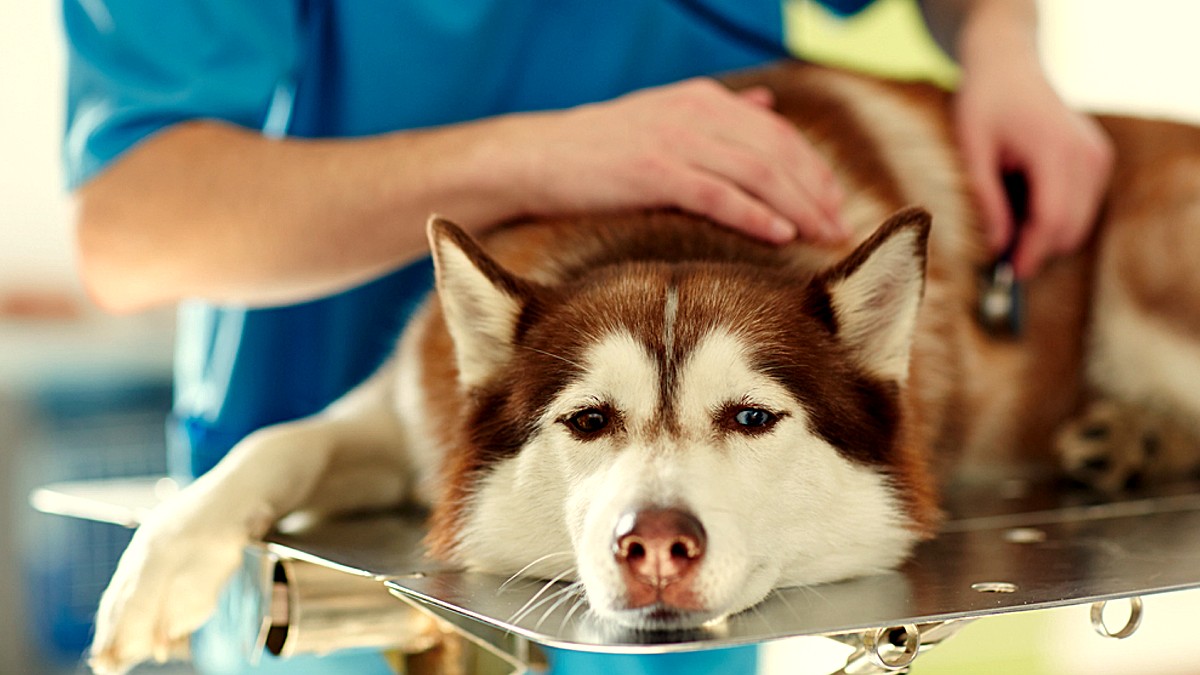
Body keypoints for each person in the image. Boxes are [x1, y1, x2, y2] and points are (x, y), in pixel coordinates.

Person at [62, 1, 1112, 673]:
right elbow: (128, 229)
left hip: (680, 565)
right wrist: (543, 158)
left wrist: (1004, 46)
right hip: (344, 525)